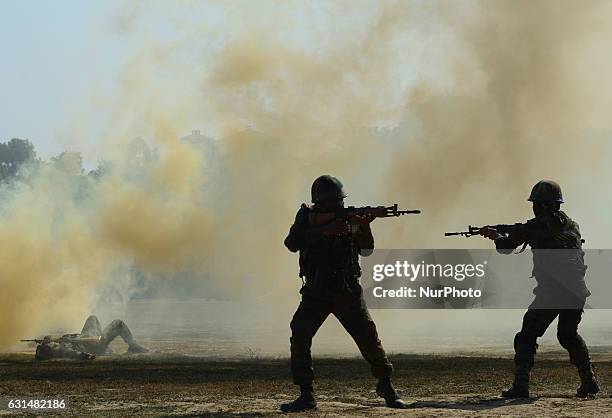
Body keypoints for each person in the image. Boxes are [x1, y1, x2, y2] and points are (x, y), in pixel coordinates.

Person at [280, 175, 406, 412]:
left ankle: (386, 385)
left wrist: (364, 225)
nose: (338, 206)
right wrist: (325, 231)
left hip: (346, 290)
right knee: (300, 335)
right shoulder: (306, 217)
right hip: (316, 291)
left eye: (340, 202)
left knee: (368, 338)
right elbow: (292, 243)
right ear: (319, 202)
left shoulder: (351, 220)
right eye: (333, 203)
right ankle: (306, 394)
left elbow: (366, 250)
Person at [478, 180, 599, 398]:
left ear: (542, 205)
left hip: (553, 293)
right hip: (577, 292)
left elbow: (506, 248)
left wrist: (496, 236)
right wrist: (512, 231)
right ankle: (589, 381)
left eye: (535, 203)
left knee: (526, 336)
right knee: (569, 336)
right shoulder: (572, 225)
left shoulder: (537, 226)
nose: (533, 207)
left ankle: (521, 386)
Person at [34, 315, 148, 361]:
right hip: (95, 344)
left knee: (92, 318)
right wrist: (87, 356)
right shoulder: (63, 348)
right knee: (118, 324)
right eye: (50, 344)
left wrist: (51, 338)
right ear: (52, 349)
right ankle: (134, 346)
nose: (52, 343)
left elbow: (68, 340)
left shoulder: (61, 343)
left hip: (87, 336)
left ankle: (110, 345)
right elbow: (74, 353)